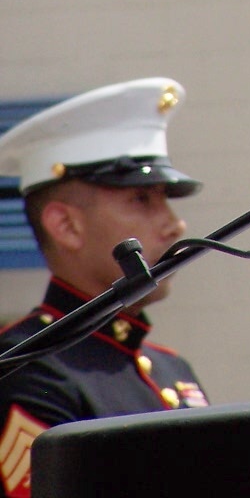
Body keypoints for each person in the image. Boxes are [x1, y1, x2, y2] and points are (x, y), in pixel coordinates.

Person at [0, 78, 209, 498]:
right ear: (66, 226)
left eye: (165, 199)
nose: (175, 223)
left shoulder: (171, 369)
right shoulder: (27, 370)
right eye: (142, 200)